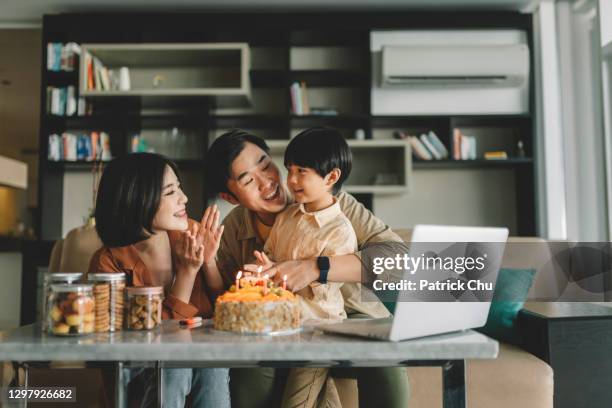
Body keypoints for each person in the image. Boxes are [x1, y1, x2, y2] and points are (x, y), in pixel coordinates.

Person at [205, 129, 409, 408]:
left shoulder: (332, 201)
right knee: (250, 366)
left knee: (386, 366)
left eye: (266, 165)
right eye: (249, 180)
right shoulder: (233, 228)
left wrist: (317, 268)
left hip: (351, 317)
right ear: (230, 197)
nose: (268, 182)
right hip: (277, 324)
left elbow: (400, 261)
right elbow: (230, 302)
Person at [255, 127, 391, 407]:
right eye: (289, 170)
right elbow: (272, 255)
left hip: (319, 329)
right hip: (287, 324)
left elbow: (321, 286)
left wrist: (302, 272)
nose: (290, 180)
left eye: (301, 171)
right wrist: (266, 267)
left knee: (296, 402)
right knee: (320, 399)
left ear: (331, 177)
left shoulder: (341, 230)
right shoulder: (287, 217)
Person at [88, 153, 230, 408]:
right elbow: (143, 341)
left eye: (180, 187)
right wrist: (186, 274)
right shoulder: (107, 263)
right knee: (175, 365)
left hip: (202, 357)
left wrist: (208, 262)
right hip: (139, 369)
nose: (184, 198)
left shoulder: (192, 234)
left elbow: (224, 310)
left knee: (212, 362)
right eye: (170, 191)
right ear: (136, 199)